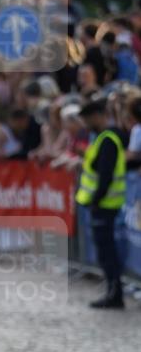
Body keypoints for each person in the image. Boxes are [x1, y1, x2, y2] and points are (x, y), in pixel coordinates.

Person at [76, 98, 127, 309]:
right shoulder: (101, 138)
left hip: (105, 205)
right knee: (105, 252)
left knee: (107, 253)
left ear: (98, 116)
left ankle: (115, 294)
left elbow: (105, 176)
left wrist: (96, 200)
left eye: (88, 119)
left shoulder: (108, 140)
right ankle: (112, 292)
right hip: (103, 204)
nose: (86, 124)